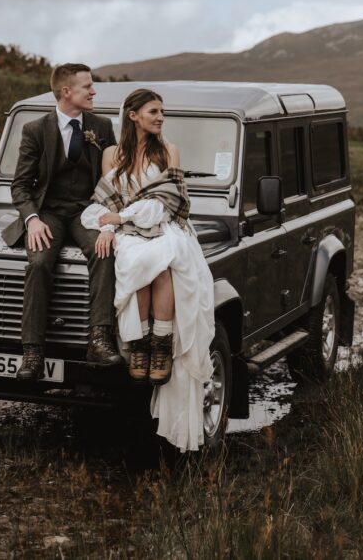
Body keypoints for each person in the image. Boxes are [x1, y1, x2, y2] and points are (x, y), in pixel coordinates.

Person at [81, 88, 215, 452]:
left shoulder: (168, 151)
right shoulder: (112, 154)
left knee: (164, 262)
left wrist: (122, 215)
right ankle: (138, 345)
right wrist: (109, 226)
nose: (160, 117)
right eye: (153, 111)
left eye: (162, 112)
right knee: (135, 261)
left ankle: (160, 346)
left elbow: (169, 202)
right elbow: (105, 199)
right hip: (127, 232)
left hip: (164, 225)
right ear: (133, 115)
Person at [1, 63, 123, 380]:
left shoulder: (102, 126)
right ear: (66, 92)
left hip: (88, 210)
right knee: (39, 261)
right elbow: (20, 185)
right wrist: (31, 220)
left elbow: (113, 178)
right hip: (49, 213)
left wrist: (108, 221)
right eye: (87, 86)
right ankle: (32, 353)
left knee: (103, 251)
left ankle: (99, 338)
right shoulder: (35, 130)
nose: (94, 91)